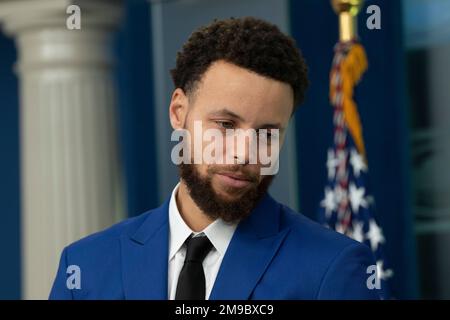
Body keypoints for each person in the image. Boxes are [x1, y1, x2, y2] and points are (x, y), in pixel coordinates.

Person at [49, 17, 380, 300]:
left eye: (267, 133)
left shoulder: (334, 268)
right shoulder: (84, 268)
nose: (243, 153)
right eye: (225, 125)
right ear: (179, 111)